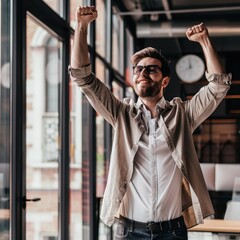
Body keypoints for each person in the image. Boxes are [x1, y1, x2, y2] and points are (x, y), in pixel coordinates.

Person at [69, 5, 232, 240]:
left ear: (165, 81)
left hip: (173, 231)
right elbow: (83, 77)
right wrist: (82, 27)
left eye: (151, 69)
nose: (143, 73)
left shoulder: (183, 115)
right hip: (129, 230)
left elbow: (218, 86)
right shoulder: (120, 114)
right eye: (138, 69)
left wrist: (205, 41)